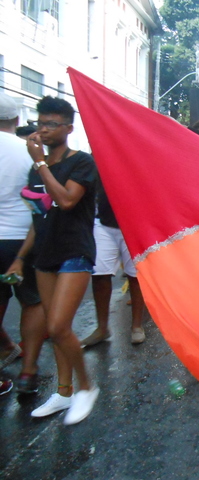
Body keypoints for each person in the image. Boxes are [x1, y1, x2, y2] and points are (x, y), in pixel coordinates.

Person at [5, 96, 99, 425]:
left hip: (75, 252)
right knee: (57, 331)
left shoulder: (81, 162)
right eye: (40, 123)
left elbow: (67, 200)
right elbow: (39, 216)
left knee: (58, 326)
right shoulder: (36, 167)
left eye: (51, 124)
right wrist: (19, 258)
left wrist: (42, 164)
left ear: (68, 128)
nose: (43, 130)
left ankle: (86, 387)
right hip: (44, 253)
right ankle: (64, 392)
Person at [0, 91, 47, 394]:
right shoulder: (28, 152)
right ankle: (28, 369)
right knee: (32, 301)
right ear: (16, 120)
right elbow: (41, 205)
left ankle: (6, 351)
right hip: (22, 240)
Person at [81, 178, 146, 347]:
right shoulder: (97, 157)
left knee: (135, 276)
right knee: (100, 274)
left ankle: (137, 326)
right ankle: (102, 329)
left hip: (134, 222)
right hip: (103, 222)